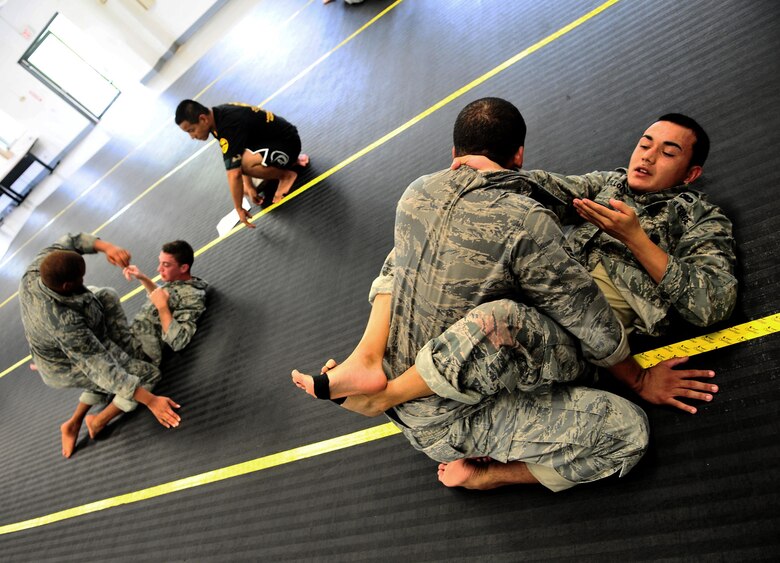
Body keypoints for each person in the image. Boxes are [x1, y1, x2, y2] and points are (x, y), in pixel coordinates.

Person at [294, 98, 721, 493]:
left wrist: (636, 239)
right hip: (512, 332)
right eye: (645, 144)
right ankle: (369, 359)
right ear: (517, 152)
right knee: (432, 222)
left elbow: (710, 303)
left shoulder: (698, 217)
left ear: (691, 173)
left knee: (626, 434)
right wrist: (461, 184)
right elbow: (537, 185)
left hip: (571, 341)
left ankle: (482, 471)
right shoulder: (607, 186)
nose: (647, 155)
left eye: (668, 152)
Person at [19, 233, 182, 459]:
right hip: (65, 364)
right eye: (80, 279)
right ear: (67, 286)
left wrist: (108, 247)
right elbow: (100, 367)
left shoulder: (40, 266)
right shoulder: (62, 322)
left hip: (71, 335)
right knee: (147, 375)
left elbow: (72, 242)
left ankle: (76, 420)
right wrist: (152, 402)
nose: (83, 281)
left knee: (106, 295)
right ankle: (96, 421)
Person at [175, 99, 309, 228]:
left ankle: (286, 175)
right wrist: (249, 186)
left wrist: (239, 208)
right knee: (244, 185)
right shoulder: (217, 115)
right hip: (278, 141)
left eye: (191, 130)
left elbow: (235, 173)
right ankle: (286, 163)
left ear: (203, 119)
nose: (192, 137)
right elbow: (239, 151)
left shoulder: (228, 125)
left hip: (288, 144)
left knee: (242, 170)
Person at [122, 240, 209, 367]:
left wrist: (162, 307)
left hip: (138, 354)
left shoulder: (192, 297)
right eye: (160, 262)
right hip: (130, 336)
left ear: (183, 268)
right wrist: (142, 278)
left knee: (105, 296)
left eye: (166, 265)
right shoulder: (177, 282)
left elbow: (179, 341)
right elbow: (162, 295)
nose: (158, 269)